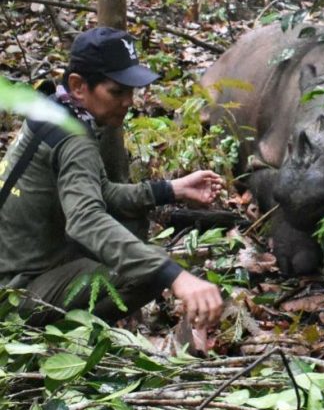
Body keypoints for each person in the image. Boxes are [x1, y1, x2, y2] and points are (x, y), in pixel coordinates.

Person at [0, 27, 224, 331]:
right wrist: (175, 276)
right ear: (79, 86)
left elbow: (97, 192)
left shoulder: (56, 109)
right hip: (14, 293)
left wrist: (169, 189)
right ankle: (64, 336)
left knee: (132, 228)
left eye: (130, 91)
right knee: (147, 272)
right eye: (117, 92)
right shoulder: (74, 140)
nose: (128, 102)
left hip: (17, 264)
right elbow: (86, 219)